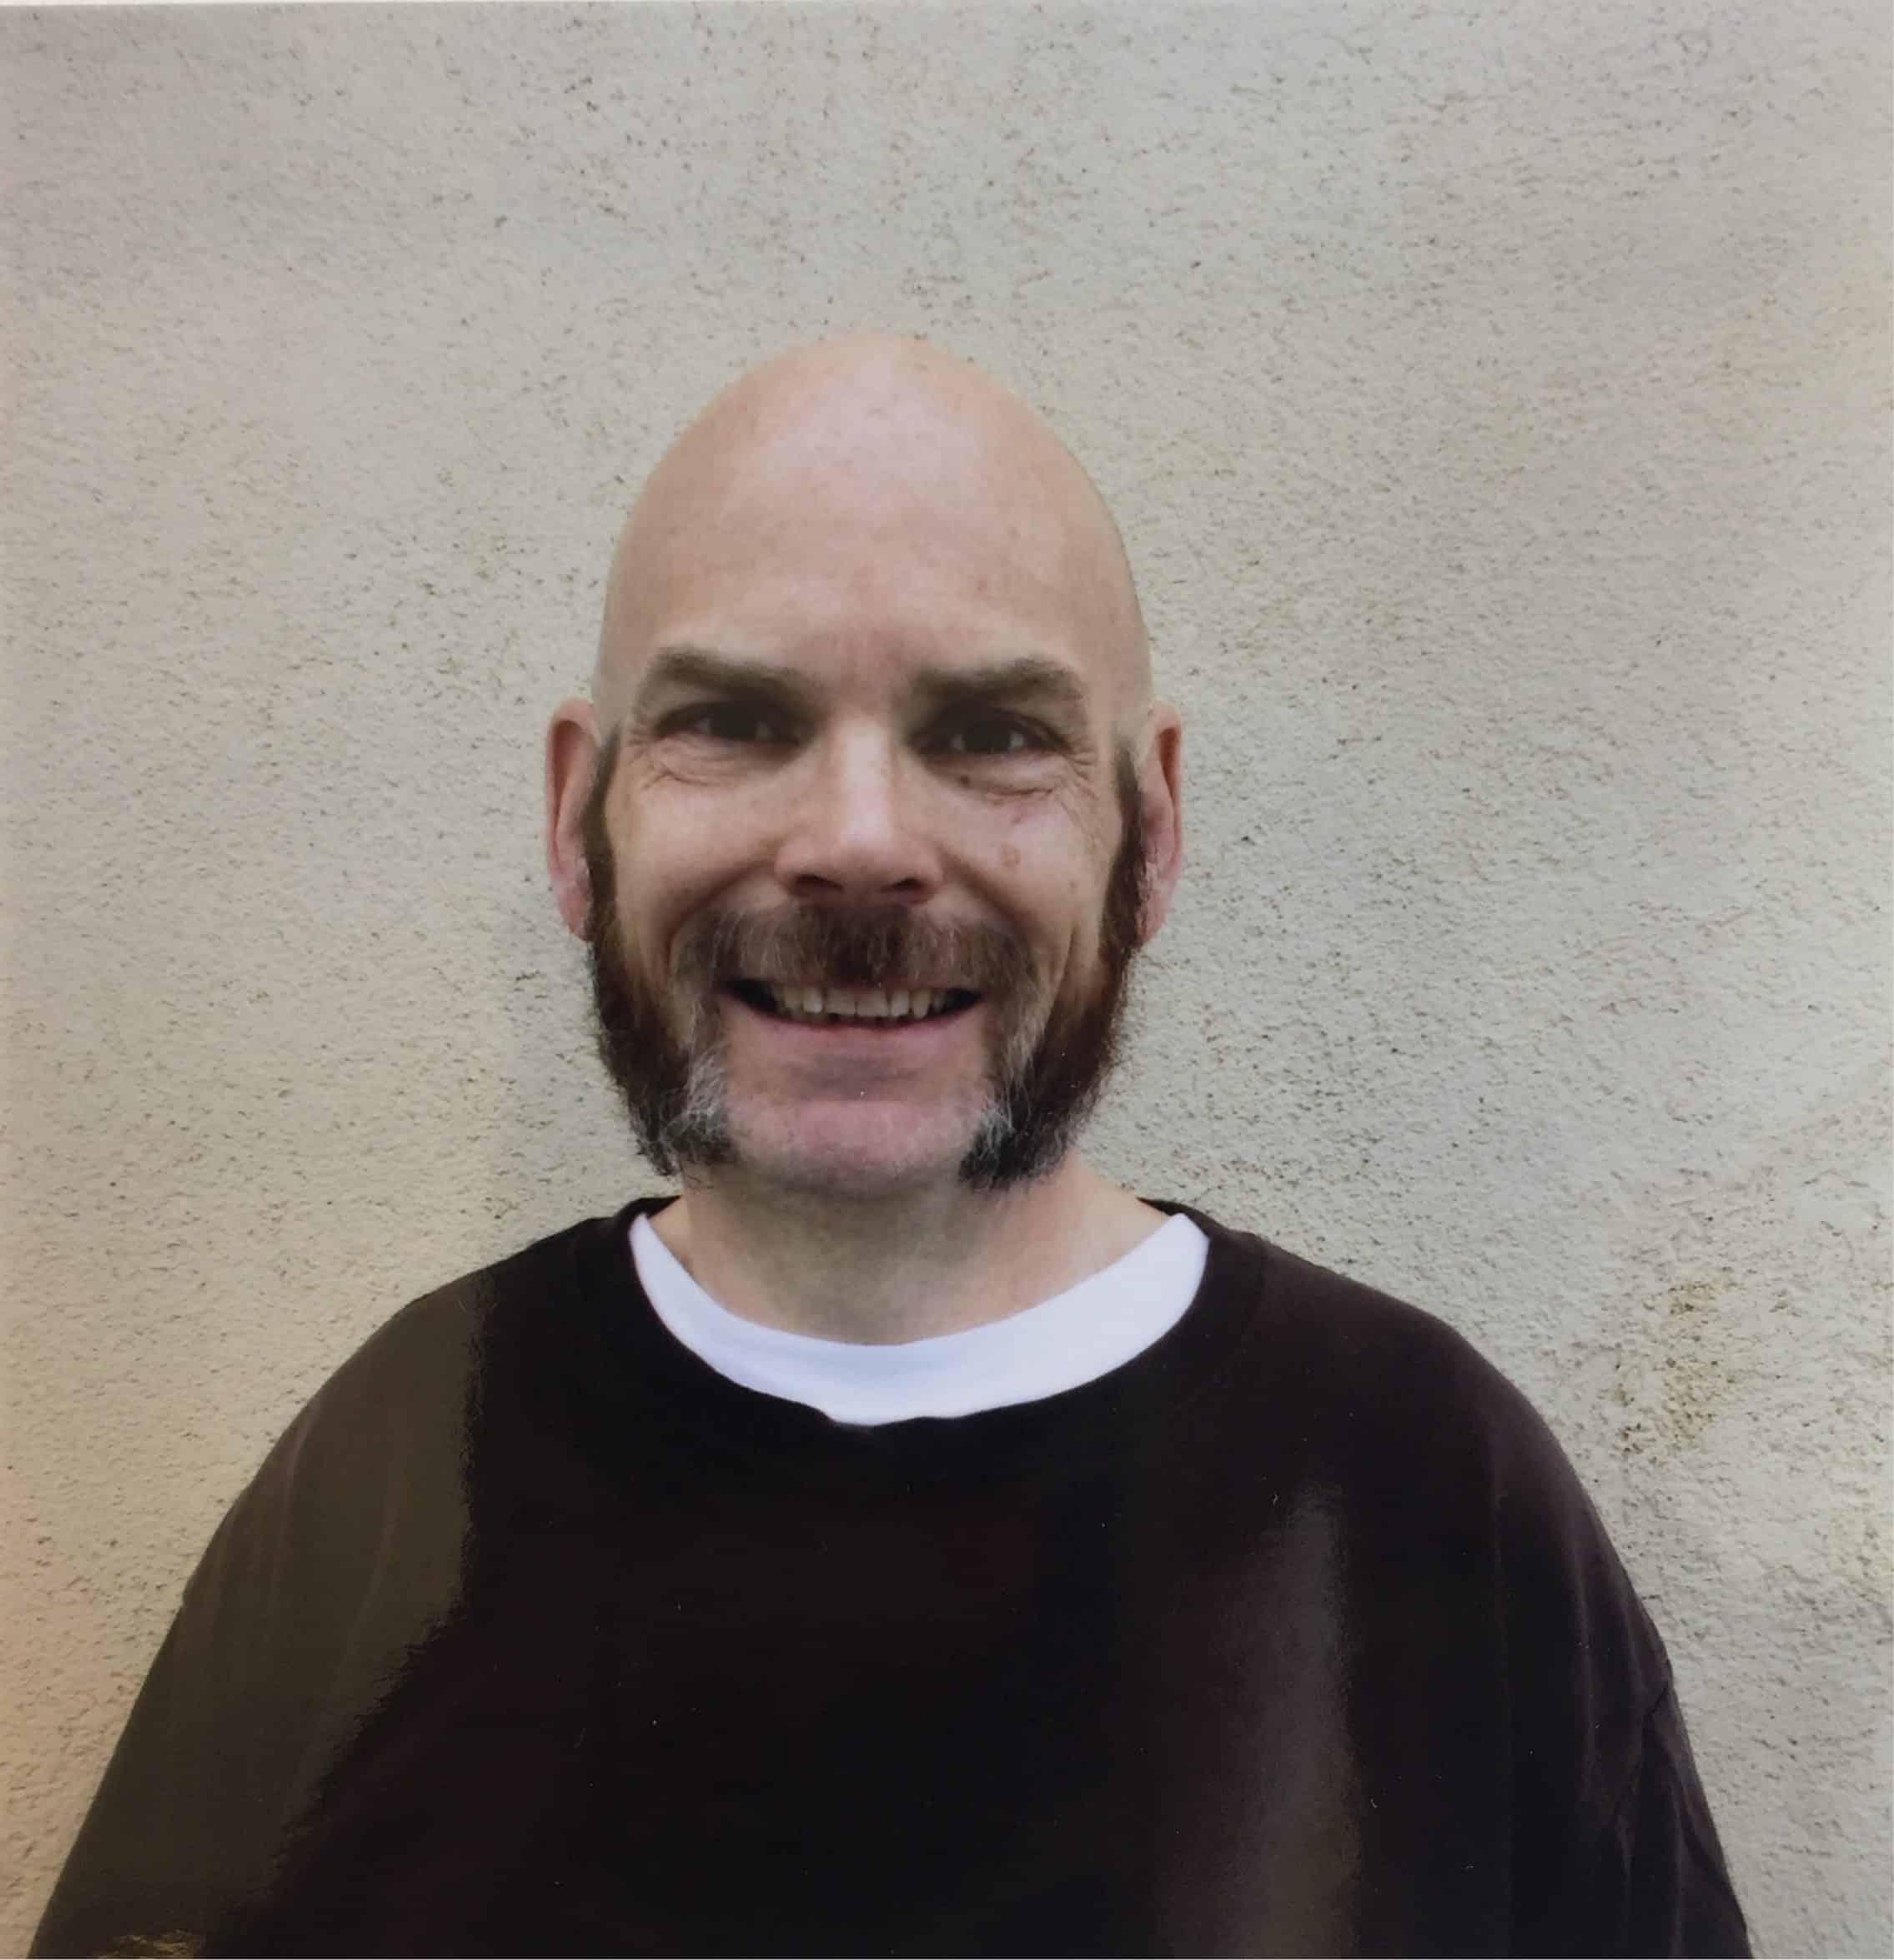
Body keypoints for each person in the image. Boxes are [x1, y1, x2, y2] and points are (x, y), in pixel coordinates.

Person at [33, 335, 1749, 1957]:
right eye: (736, 720)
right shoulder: (393, 1463)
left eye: (990, 733)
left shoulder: (1423, 1489)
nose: (857, 845)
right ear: (578, 815)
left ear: (1148, 831)